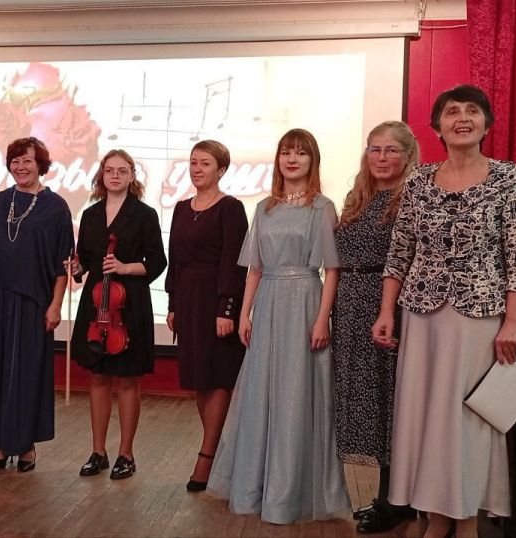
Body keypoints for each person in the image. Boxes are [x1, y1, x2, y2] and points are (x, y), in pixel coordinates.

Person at [372, 85, 516, 538]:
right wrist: (386, 311)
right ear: (437, 128)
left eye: (472, 111)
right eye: (451, 112)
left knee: (469, 418)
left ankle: (466, 519)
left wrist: (513, 322)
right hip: (422, 315)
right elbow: (400, 251)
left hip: (480, 317)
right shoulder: (419, 181)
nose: (462, 118)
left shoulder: (507, 178)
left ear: (486, 123)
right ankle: (436, 515)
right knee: (427, 415)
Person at [207, 128, 351, 523]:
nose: (292, 159)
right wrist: (244, 313)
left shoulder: (322, 207)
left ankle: (287, 495)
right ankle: (254, 488)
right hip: (268, 301)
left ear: (312, 161)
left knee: (297, 392)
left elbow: (332, 269)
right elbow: (254, 268)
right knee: (261, 392)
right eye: (286, 152)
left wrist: (323, 318)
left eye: (300, 153)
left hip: (304, 300)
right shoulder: (264, 208)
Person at [331, 121, 420, 533]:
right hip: (349, 304)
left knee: (389, 400)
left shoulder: (413, 198)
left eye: (391, 150)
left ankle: (395, 499)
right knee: (363, 403)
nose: (382, 158)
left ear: (408, 155)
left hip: (387, 306)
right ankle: (386, 496)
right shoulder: (357, 197)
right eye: (375, 149)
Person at [0, 137, 73, 472]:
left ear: (40, 164)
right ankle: (1, 444)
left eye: (27, 160)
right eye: (15, 161)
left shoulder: (56, 207)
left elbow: (62, 265)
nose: (21, 167)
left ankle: (25, 445)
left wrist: (55, 306)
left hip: (33, 303)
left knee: (27, 375)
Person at [65, 149, 166, 480]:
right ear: (102, 175)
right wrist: (76, 267)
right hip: (97, 304)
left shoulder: (144, 214)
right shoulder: (91, 215)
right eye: (109, 170)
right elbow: (85, 261)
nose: (115, 176)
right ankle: (98, 452)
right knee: (97, 377)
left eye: (122, 171)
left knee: (127, 379)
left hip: (129, 303)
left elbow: (157, 261)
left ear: (132, 176)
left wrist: (125, 267)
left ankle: (126, 453)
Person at [164, 140, 248, 491]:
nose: (197, 169)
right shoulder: (182, 208)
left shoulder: (231, 208)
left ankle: (207, 456)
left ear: (221, 170)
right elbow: (175, 259)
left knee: (217, 378)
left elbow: (235, 261)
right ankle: (218, 451)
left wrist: (226, 308)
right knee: (199, 379)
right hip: (188, 301)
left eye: (205, 163)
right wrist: (172, 304)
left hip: (217, 303)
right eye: (193, 162)